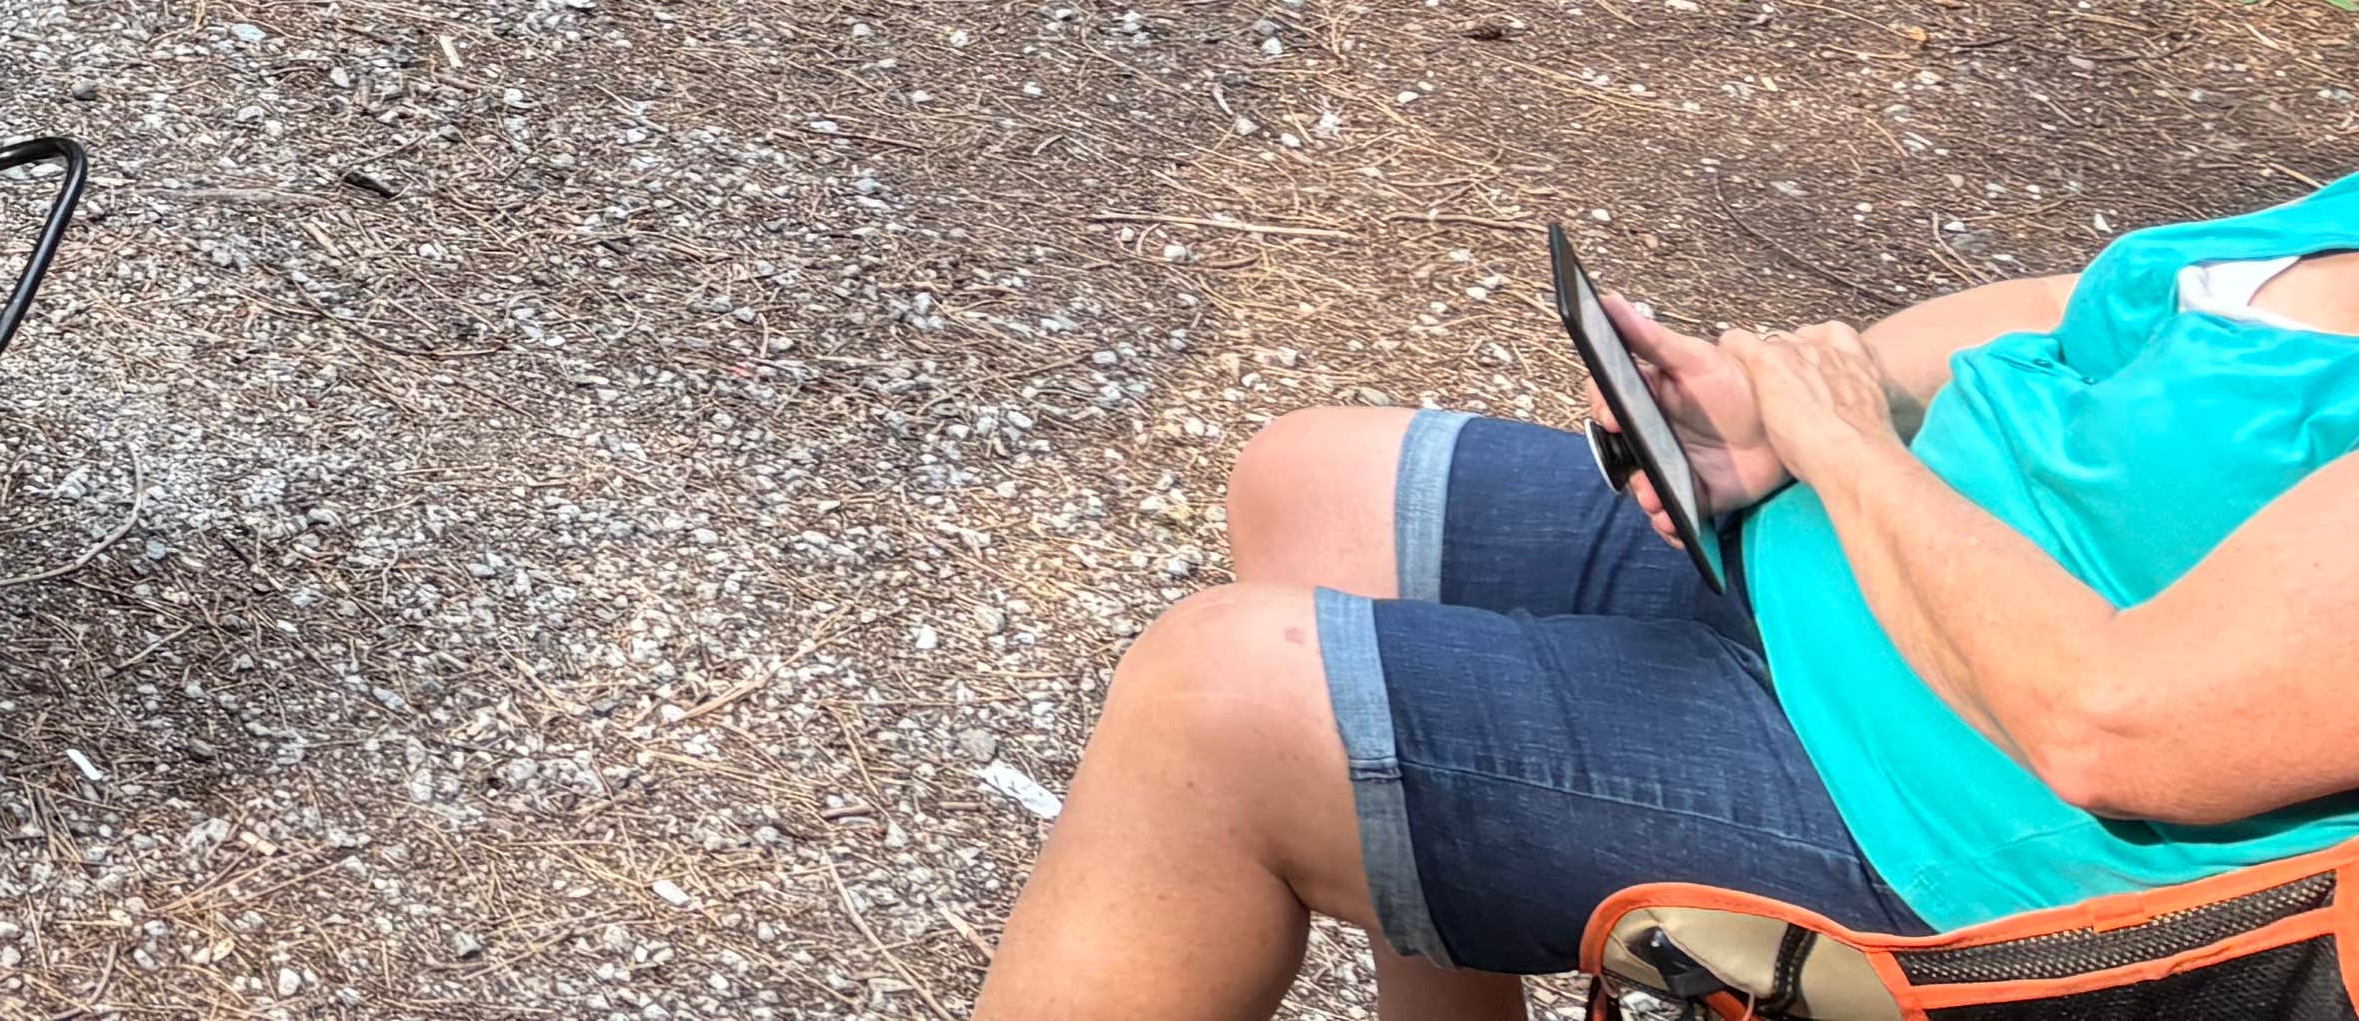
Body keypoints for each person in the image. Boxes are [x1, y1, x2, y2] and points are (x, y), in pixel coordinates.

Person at [973, 169, 2359, 1021]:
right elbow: (2092, 310)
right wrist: (1806, 399)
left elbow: (2115, 730)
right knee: (1313, 487)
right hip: (1846, 581)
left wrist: (1851, 451)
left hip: (1951, 824)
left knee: (1210, 714)